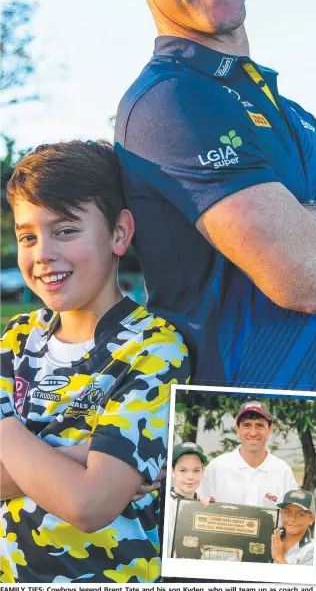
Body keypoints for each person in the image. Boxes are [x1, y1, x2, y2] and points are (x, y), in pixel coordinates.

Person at [114, 0, 316, 576]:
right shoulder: (168, 102)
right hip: (231, 450)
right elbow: (305, 272)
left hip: (307, 441)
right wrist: (307, 226)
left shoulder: (289, 113)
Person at [0, 140, 189, 584]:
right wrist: (80, 454)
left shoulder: (155, 349)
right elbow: (88, 486)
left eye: (66, 230)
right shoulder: (13, 340)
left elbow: (90, 504)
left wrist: (6, 427)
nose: (43, 252)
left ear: (119, 233)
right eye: (28, 235)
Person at [198, 401, 297, 507]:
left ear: (270, 429)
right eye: (247, 425)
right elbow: (197, 508)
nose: (253, 433)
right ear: (237, 429)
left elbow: (292, 515)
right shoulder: (216, 468)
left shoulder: (283, 471)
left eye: (259, 425)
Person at [167, 441, 210, 557]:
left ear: (203, 471)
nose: (190, 477)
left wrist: (211, 510)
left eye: (196, 470)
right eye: (183, 470)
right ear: (172, 471)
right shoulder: (163, 504)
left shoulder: (204, 505)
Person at [271, 490, 315, 566]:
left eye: (300, 515)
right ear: (281, 513)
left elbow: (301, 578)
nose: (292, 519)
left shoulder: (312, 551)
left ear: (312, 518)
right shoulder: (269, 537)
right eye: (287, 512)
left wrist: (279, 558)